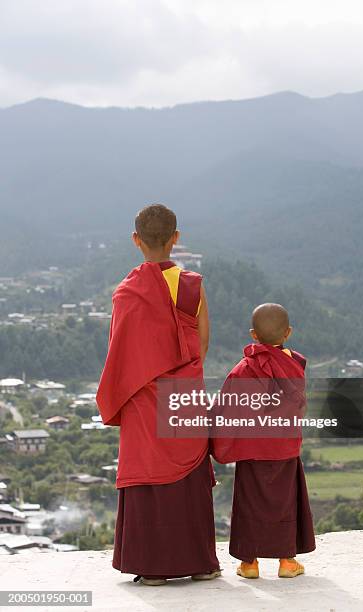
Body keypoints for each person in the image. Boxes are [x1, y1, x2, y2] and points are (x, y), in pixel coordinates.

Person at [97, 204, 220, 586]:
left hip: (141, 395)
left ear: (136, 241)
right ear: (176, 238)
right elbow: (200, 342)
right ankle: (201, 563)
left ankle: (152, 568)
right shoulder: (191, 285)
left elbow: (120, 350)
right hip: (181, 393)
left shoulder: (126, 292)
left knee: (148, 473)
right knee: (188, 476)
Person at [211, 303, 315, 579]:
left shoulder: (243, 370)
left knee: (249, 503)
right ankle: (287, 562)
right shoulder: (294, 367)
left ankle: (249, 564)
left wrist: (215, 439)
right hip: (284, 450)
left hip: (252, 450)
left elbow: (226, 408)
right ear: (288, 333)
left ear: (253, 335)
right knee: (285, 502)